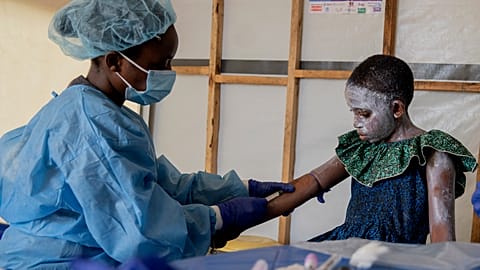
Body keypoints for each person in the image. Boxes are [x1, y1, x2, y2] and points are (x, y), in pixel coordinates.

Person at [0, 0, 294, 268]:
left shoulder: (98, 111)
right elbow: (140, 232)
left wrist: (241, 188)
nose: (169, 72)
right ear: (114, 61)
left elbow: (161, 185)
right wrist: (218, 218)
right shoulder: (93, 125)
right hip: (57, 262)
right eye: (159, 65)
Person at [265, 54, 478, 244]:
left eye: (364, 114)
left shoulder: (431, 152)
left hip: (395, 257)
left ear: (396, 108)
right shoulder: (362, 147)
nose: (356, 123)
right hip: (345, 246)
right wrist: (252, 212)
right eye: (353, 112)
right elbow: (313, 181)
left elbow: (442, 235)